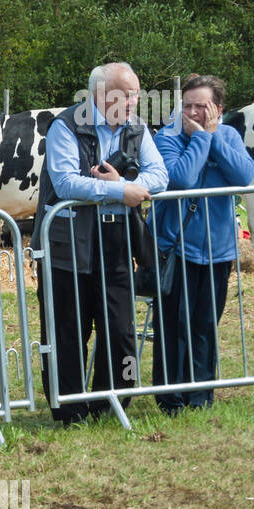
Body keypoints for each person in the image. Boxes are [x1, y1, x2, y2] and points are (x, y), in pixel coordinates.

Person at [35, 62, 168, 425]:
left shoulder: (137, 127)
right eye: (125, 94)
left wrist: (130, 184)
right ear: (99, 94)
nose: (133, 101)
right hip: (66, 243)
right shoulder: (65, 125)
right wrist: (120, 190)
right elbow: (65, 183)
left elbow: (160, 175)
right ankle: (70, 410)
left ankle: (112, 404)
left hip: (116, 240)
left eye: (136, 94)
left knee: (121, 330)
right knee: (67, 331)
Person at [150, 75, 254, 412]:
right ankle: (171, 398)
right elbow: (180, 177)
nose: (193, 112)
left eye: (202, 106)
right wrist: (201, 139)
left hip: (219, 250)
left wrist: (212, 139)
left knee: (205, 325)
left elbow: (245, 176)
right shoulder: (166, 138)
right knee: (173, 326)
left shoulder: (228, 135)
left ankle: (201, 396)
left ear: (218, 109)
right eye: (188, 106)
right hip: (176, 248)